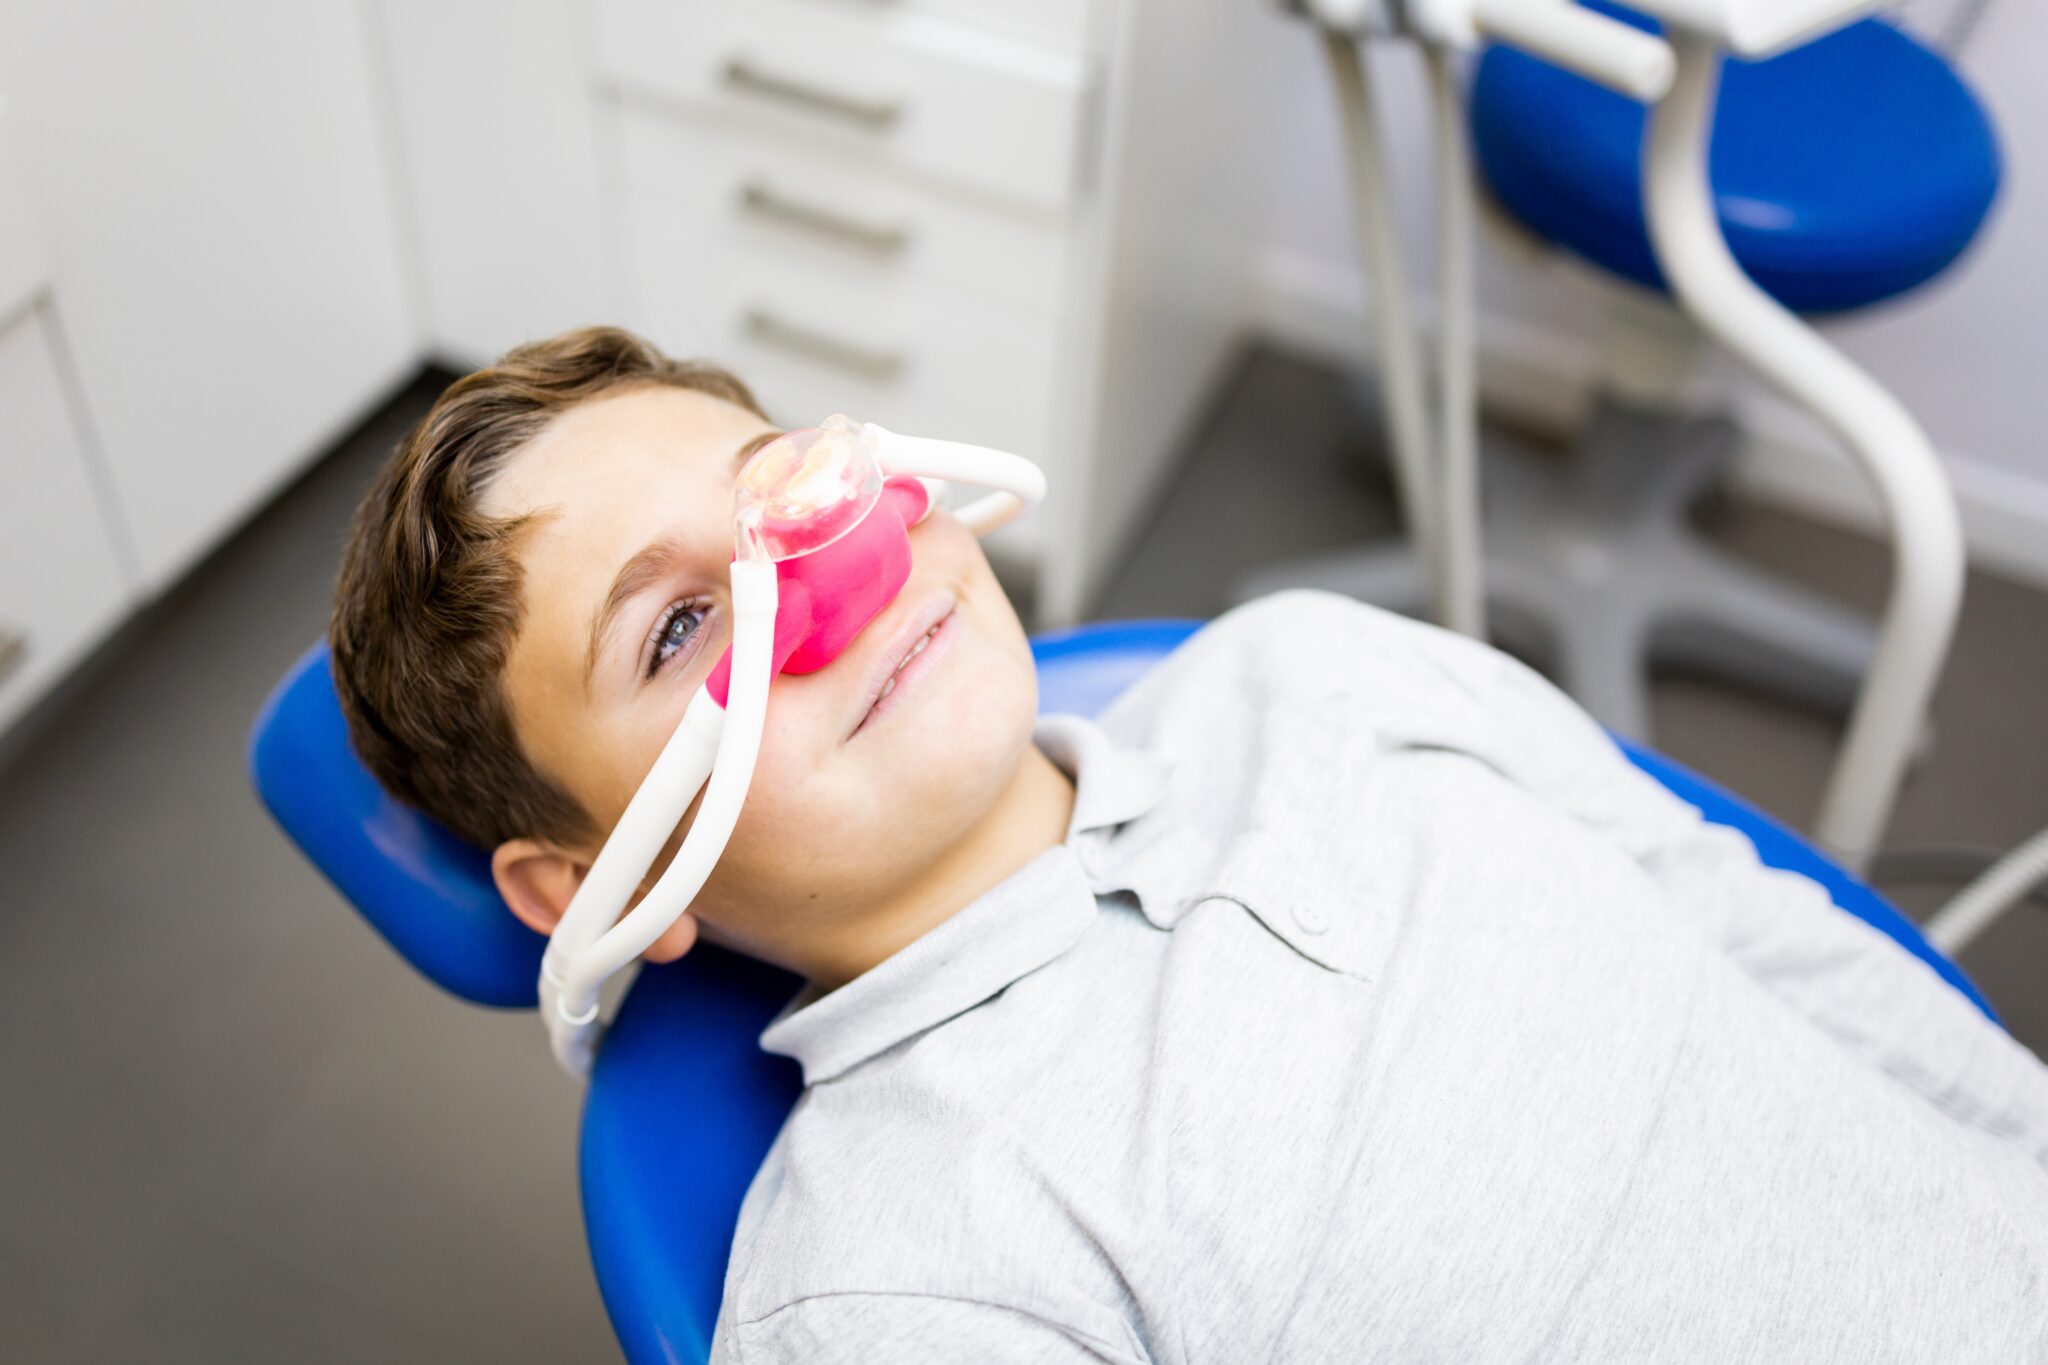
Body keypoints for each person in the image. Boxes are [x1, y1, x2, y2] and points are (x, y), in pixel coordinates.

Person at [331, 327, 2048, 1363]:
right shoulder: (905, 1280)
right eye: (683, 629)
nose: (830, 587)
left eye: (789, 496)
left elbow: (1772, 929)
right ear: (594, 890)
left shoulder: (1317, 664)